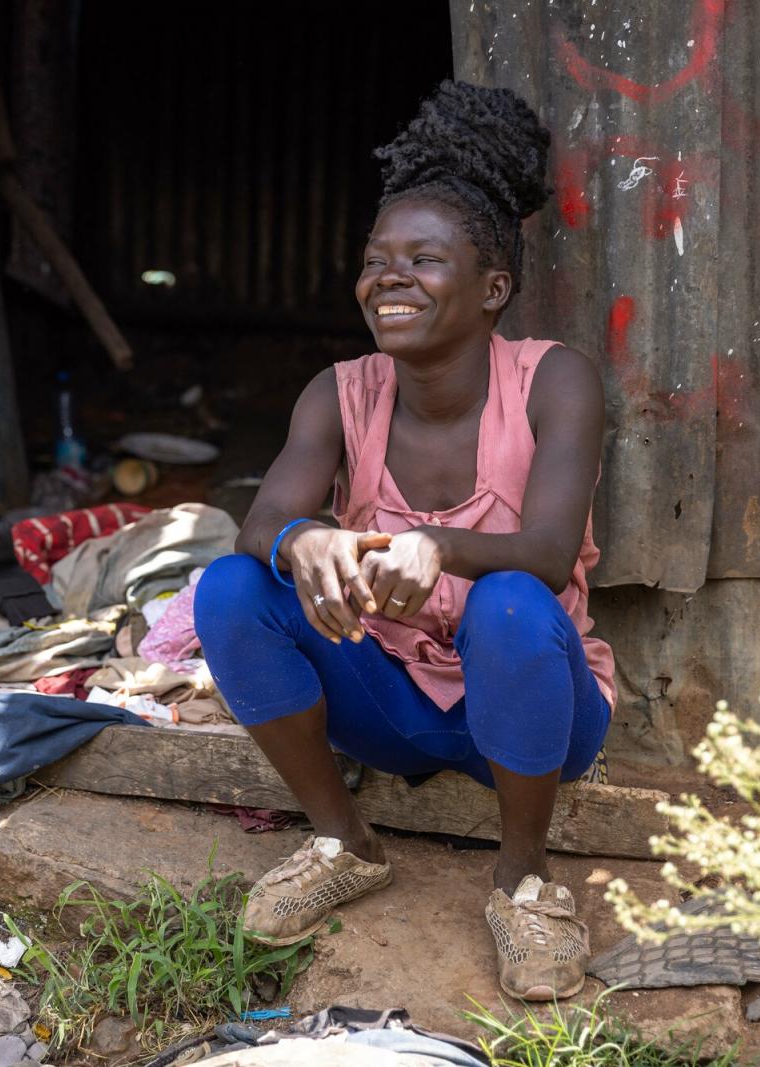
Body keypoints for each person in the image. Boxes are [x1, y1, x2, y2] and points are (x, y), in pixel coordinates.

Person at [194, 80, 615, 1002]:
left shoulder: (555, 382)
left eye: (424, 259)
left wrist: (438, 544)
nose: (389, 277)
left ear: (492, 287)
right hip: (388, 705)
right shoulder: (339, 392)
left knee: (509, 604)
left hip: (538, 710)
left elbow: (547, 552)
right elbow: (261, 522)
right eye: (376, 259)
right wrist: (304, 541)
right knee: (229, 587)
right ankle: (344, 840)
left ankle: (525, 880)